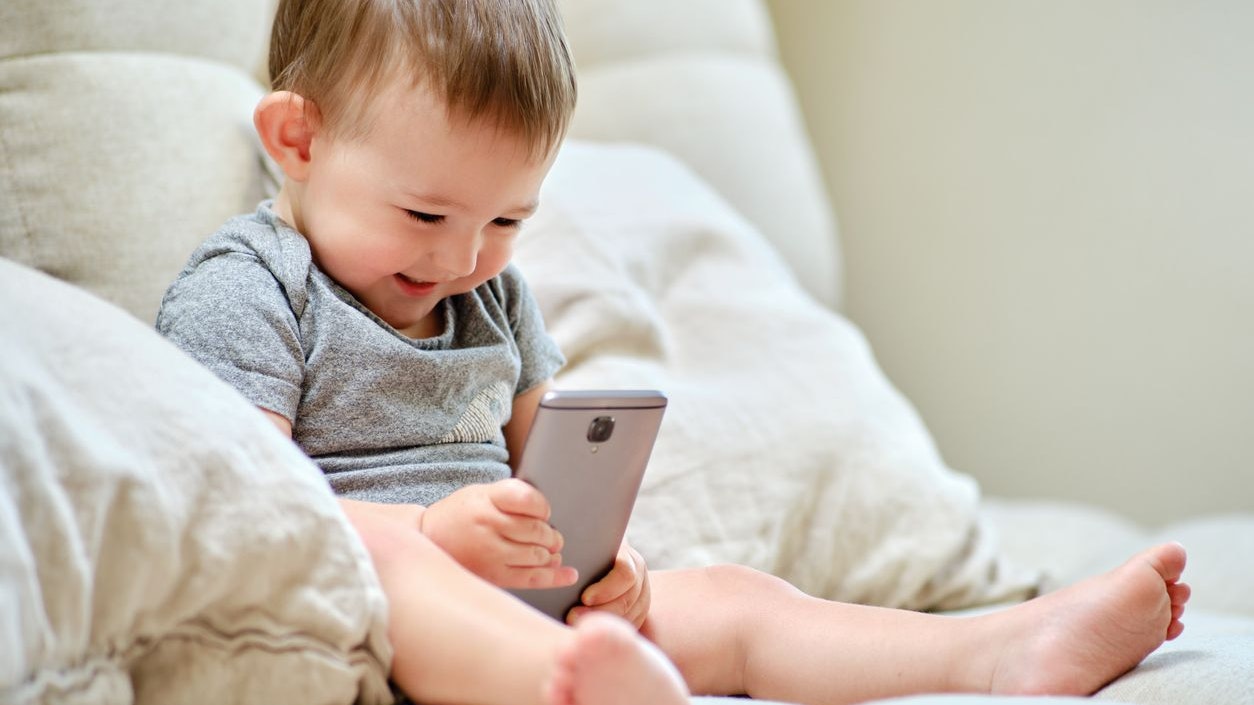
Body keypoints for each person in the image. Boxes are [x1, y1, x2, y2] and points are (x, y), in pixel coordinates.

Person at [157, 0, 1191, 703]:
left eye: (507, 220)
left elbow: (554, 476)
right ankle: (570, 688)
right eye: (427, 213)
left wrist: (606, 567)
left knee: (737, 599)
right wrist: (429, 532)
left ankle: (1002, 648)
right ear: (298, 141)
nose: (465, 258)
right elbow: (246, 507)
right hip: (363, 588)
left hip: (522, 601)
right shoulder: (254, 285)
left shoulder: (488, 298)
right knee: (402, 569)